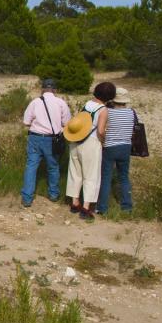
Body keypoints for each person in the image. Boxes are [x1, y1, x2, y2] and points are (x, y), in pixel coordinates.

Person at [64, 81, 116, 220]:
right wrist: (104, 140)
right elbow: (100, 130)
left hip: (76, 141)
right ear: (110, 96)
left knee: (75, 173)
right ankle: (86, 208)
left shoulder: (86, 104)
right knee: (91, 176)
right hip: (91, 143)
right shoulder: (103, 110)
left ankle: (75, 202)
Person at [20, 78, 71, 207]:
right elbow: (67, 123)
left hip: (35, 137)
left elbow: (26, 122)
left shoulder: (35, 102)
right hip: (52, 139)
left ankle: (27, 198)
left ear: (42, 89)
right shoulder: (61, 103)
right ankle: (53, 194)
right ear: (55, 90)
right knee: (53, 166)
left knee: (31, 166)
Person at [96, 87, 134, 215]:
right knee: (124, 177)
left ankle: (102, 208)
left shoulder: (108, 112)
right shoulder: (132, 113)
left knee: (106, 177)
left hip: (110, 147)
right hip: (126, 147)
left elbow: (101, 129)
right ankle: (127, 206)